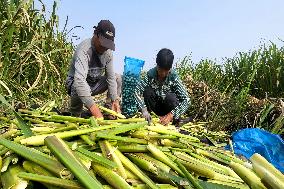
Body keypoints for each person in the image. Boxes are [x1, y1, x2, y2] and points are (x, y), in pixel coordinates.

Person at [65, 20, 121, 118]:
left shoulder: (108, 53)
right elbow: (79, 81)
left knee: (117, 78)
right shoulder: (85, 50)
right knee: (76, 84)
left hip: (94, 84)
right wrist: (95, 111)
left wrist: (114, 100)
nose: (104, 48)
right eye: (103, 43)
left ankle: (109, 111)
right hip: (76, 85)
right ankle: (75, 114)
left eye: (107, 45)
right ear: (95, 34)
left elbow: (111, 78)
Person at [134, 48, 190, 125]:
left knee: (171, 98)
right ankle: (150, 119)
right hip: (155, 110)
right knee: (147, 91)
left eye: (166, 70)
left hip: (168, 111)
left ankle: (173, 120)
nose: (163, 74)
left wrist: (171, 114)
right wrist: (144, 109)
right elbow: (136, 91)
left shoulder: (173, 77)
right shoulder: (150, 75)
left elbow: (186, 100)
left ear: (170, 68)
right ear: (157, 65)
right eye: (160, 70)